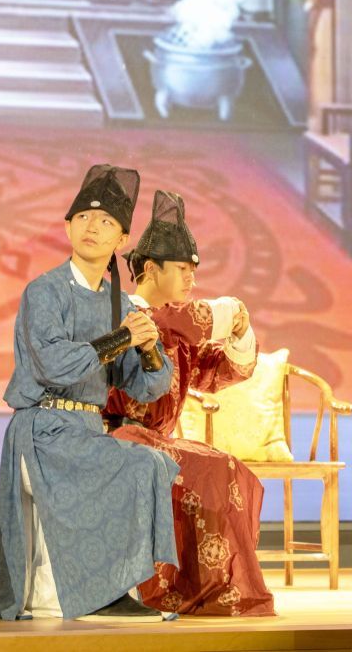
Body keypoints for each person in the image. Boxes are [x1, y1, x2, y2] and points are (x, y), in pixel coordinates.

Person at [0, 165, 179, 622]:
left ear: (122, 240)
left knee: (150, 462)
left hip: (85, 431)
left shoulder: (119, 303)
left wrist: (148, 348)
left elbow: (147, 386)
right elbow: (52, 364)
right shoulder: (43, 292)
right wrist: (122, 338)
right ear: (68, 226)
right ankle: (99, 592)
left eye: (106, 222)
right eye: (84, 218)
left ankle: (113, 585)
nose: (92, 227)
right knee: (135, 464)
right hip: (43, 430)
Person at [105, 191, 275, 616]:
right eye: (183, 269)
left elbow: (220, 372)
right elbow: (171, 322)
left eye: (193, 271)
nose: (190, 280)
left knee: (225, 468)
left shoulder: (176, 332)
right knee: (213, 469)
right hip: (115, 436)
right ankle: (185, 589)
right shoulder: (124, 313)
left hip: (154, 440)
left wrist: (240, 332)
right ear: (150, 269)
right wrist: (227, 311)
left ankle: (206, 588)